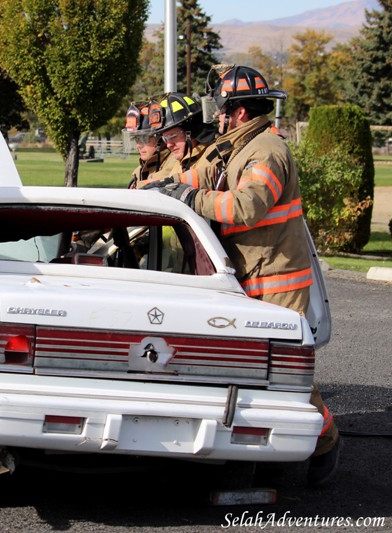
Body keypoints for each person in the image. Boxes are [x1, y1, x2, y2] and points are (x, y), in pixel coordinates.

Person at [150, 64, 340, 486]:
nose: (214, 115)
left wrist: (190, 197)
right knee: (237, 370)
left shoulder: (267, 151)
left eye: (220, 108)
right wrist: (155, 189)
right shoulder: (232, 148)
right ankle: (246, 456)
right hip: (242, 279)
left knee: (285, 375)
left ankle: (325, 441)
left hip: (276, 284)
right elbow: (191, 177)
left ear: (237, 112)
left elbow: (244, 207)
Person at [149, 92, 216, 175]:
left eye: (173, 136)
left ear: (193, 130)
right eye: (165, 139)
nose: (169, 145)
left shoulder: (213, 160)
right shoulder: (180, 162)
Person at [122, 102, 174, 188]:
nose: (139, 145)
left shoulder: (174, 165)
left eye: (144, 138)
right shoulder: (139, 171)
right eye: (137, 139)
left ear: (161, 138)